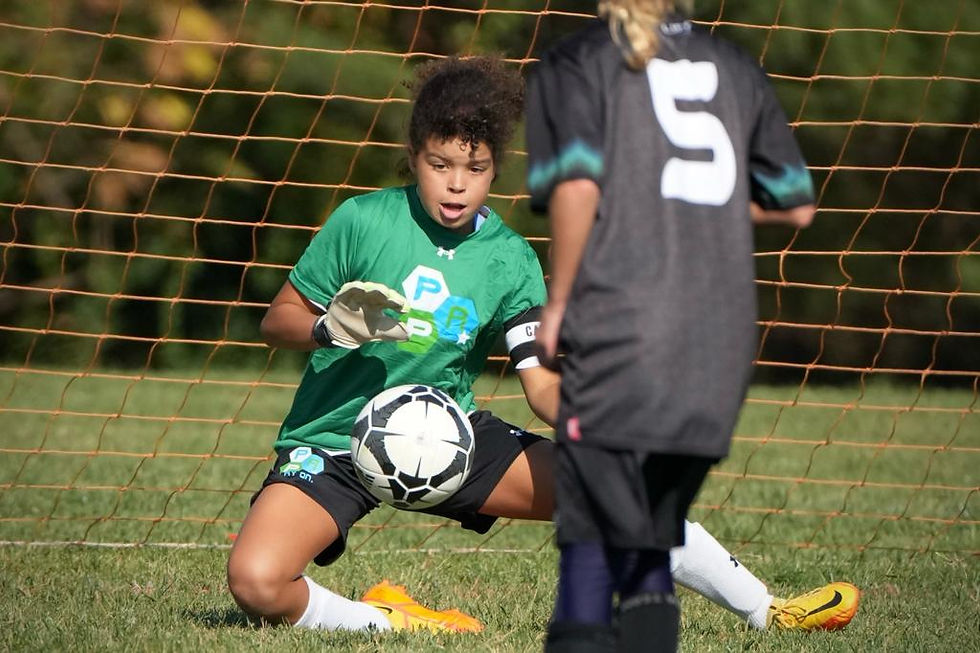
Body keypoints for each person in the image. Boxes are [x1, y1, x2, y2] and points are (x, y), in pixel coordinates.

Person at [226, 54, 857, 637]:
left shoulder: (509, 260)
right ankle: (390, 624)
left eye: (474, 170)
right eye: (440, 165)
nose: (456, 185)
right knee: (256, 582)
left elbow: (541, 381)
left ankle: (768, 611)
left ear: (495, 169)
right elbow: (277, 319)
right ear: (414, 156)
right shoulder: (363, 221)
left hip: (449, 438)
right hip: (334, 440)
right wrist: (329, 327)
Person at [526, 1, 857, 651]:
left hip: (624, 326)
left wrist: (559, 300)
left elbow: (576, 187)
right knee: (650, 538)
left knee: (590, 542)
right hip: (720, 340)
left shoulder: (578, 60)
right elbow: (795, 205)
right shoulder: (734, 64)